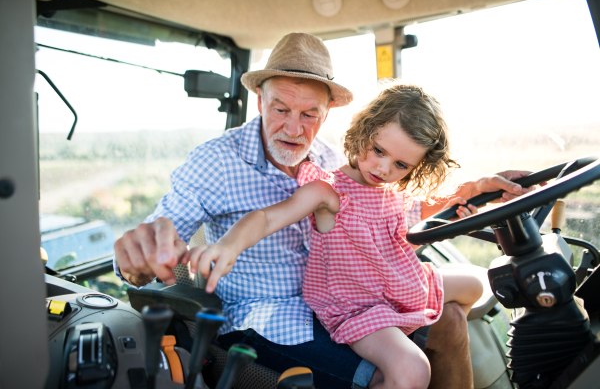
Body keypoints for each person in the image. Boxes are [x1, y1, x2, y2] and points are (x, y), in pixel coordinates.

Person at [114, 32, 536, 388]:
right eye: (280, 108)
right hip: (271, 316)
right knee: (396, 371)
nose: (294, 128)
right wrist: (138, 258)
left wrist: (473, 190)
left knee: (450, 322)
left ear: (328, 110)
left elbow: (390, 212)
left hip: (357, 293)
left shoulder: (337, 159)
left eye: (309, 113)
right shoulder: (213, 162)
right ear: (259, 99)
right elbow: (157, 240)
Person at [187, 83, 484, 389]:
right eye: (378, 151)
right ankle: (399, 339)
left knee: (475, 285)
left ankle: (409, 324)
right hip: (358, 306)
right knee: (413, 370)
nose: (383, 168)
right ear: (364, 133)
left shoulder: (390, 191)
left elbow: (420, 210)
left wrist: (477, 190)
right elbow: (265, 218)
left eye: (400, 164)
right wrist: (229, 245)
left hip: (394, 287)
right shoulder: (328, 192)